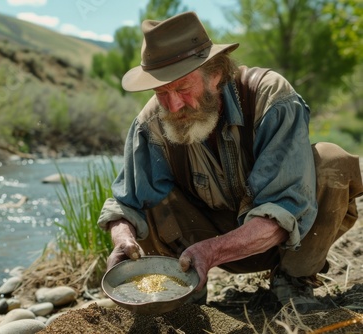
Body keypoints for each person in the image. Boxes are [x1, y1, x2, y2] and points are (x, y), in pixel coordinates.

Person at [97, 11, 363, 313]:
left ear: (216, 74)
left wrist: (212, 251)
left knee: (333, 161)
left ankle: (294, 279)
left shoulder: (270, 97)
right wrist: (122, 238)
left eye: (183, 88)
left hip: (282, 242)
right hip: (195, 248)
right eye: (161, 92)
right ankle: (182, 285)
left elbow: (284, 211)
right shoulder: (151, 123)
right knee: (145, 205)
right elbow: (127, 202)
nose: (173, 106)